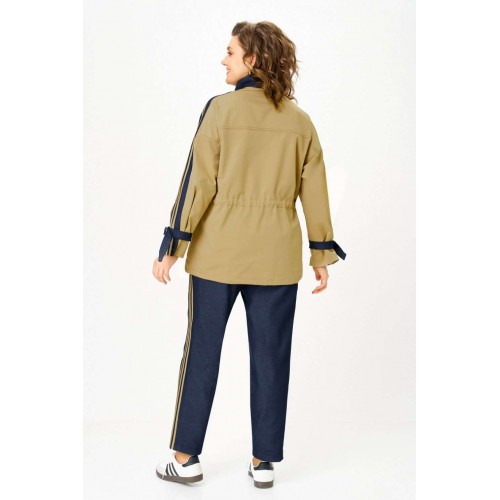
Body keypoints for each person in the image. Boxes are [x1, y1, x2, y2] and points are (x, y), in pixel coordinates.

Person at [152, 21, 346, 488]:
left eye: (231, 52)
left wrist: (173, 245)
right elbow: (316, 193)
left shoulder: (220, 110)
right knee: (272, 358)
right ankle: (263, 464)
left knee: (201, 353)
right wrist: (320, 254)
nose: (223, 59)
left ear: (252, 59)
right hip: (276, 258)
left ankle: (185, 458)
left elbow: (197, 181)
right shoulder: (300, 122)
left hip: (217, 254)